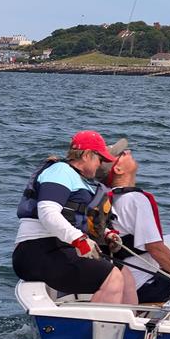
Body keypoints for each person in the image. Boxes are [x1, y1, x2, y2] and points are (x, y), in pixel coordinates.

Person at [13, 130, 137, 304]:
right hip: (36, 251)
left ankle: (130, 328)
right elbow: (47, 212)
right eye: (99, 159)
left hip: (60, 249)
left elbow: (80, 217)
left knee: (126, 275)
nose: (100, 165)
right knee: (113, 277)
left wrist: (107, 233)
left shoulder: (83, 181)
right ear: (86, 155)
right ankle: (96, 330)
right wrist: (79, 240)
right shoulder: (60, 171)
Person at [98, 143, 170, 306]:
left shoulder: (110, 198)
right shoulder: (136, 200)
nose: (128, 151)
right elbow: (156, 249)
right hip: (141, 282)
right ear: (118, 170)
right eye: (122, 153)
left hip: (121, 278)